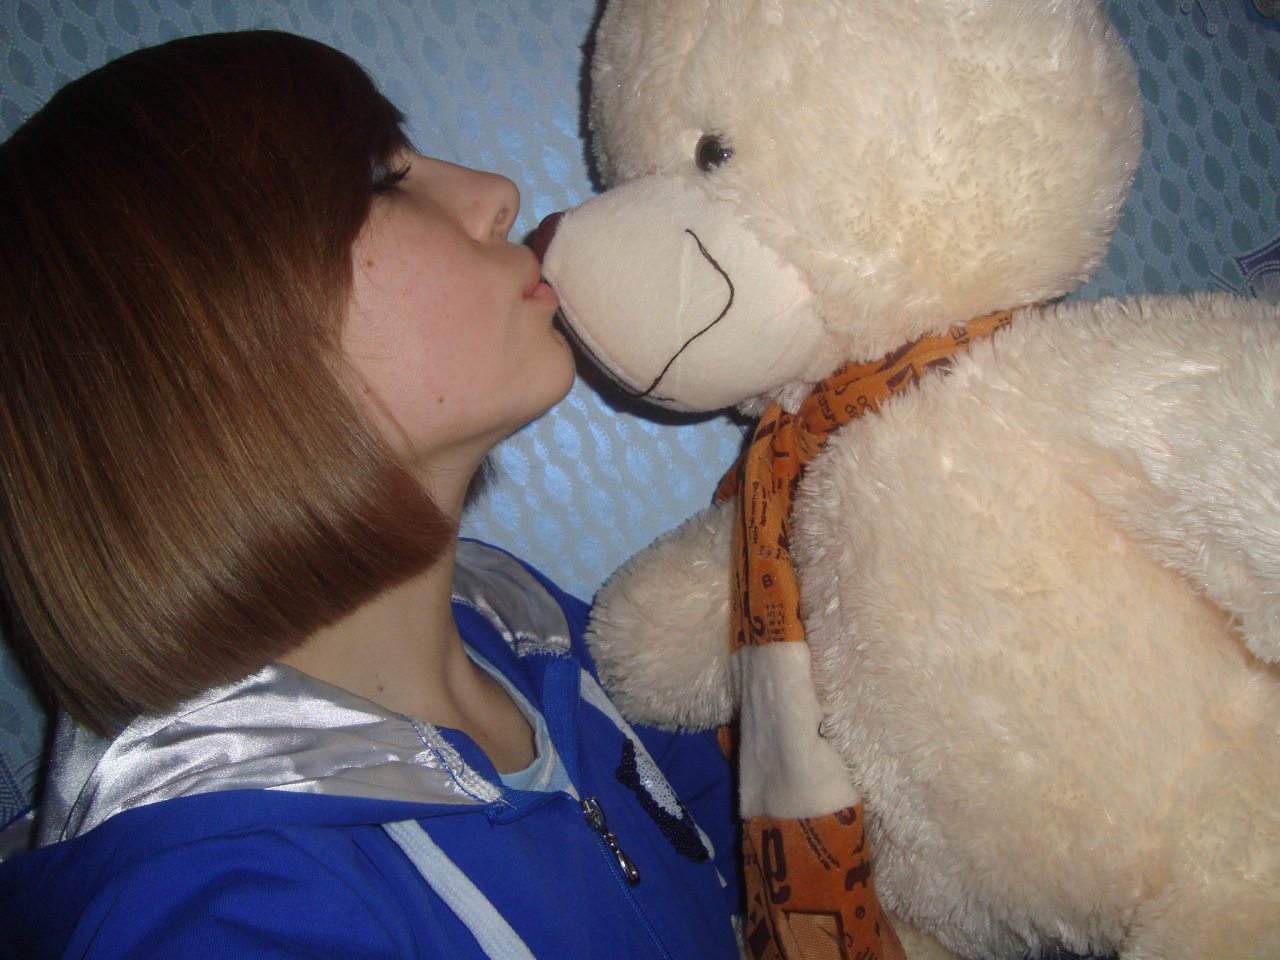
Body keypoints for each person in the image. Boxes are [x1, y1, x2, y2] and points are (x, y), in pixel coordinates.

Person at [0, 30, 740, 958]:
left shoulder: (529, 628)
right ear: (212, 350)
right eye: (384, 179)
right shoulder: (232, 915)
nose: (496, 194)